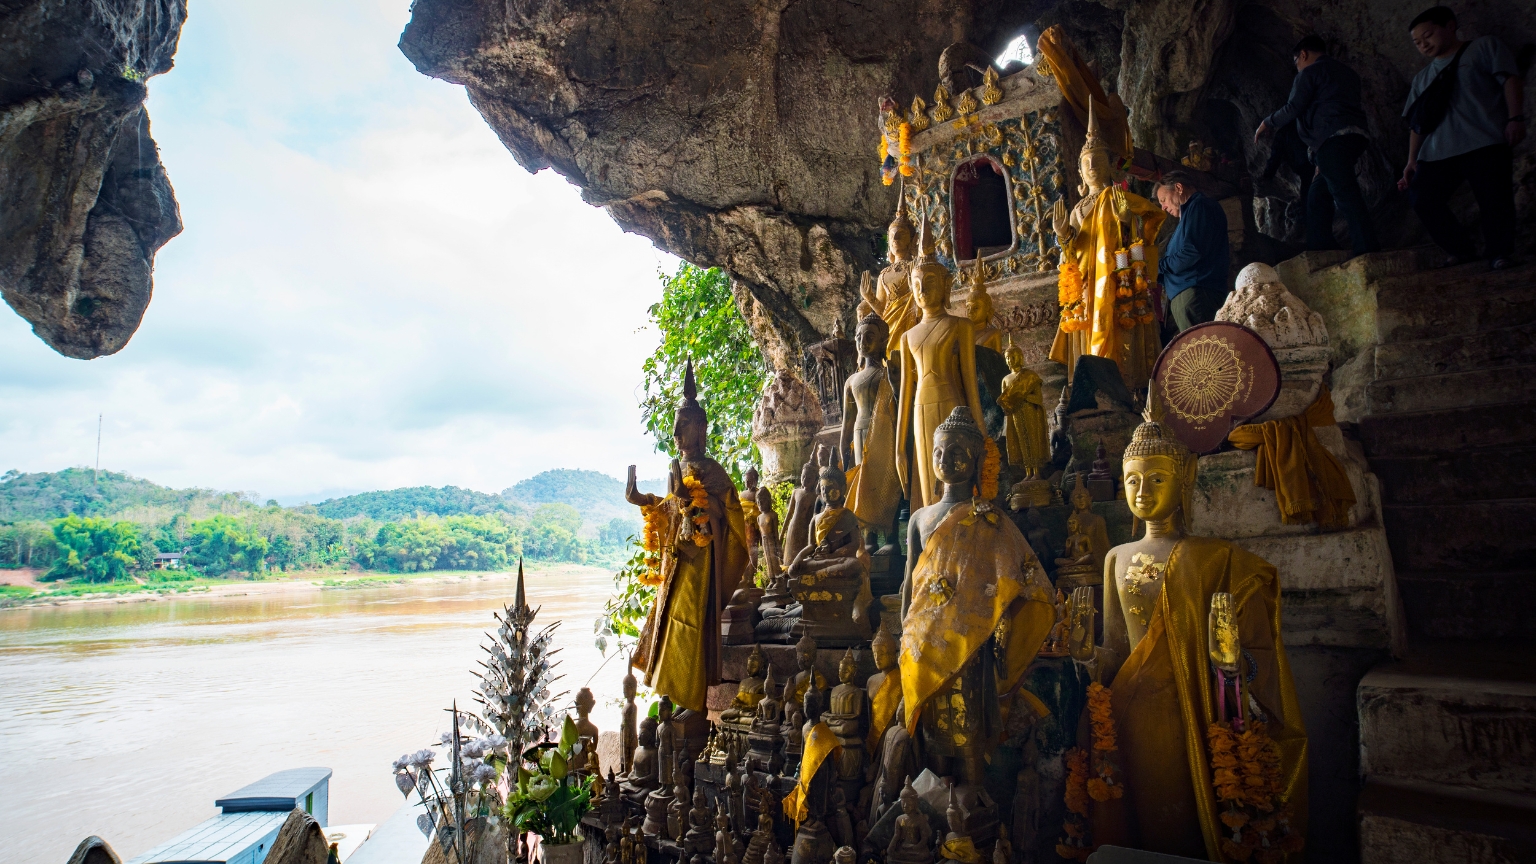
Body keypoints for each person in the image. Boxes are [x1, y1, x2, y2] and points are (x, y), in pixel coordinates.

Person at [1400, 6, 1525, 270]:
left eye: (1428, 35)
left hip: (1485, 141)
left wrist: (1515, 118)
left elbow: (1510, 80)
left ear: (1450, 26)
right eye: (1417, 42)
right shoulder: (1422, 78)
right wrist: (1412, 161)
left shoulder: (1483, 48)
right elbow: (1417, 124)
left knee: (1494, 200)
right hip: (1437, 152)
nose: (1423, 45)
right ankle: (1461, 249)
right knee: (1422, 197)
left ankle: (1499, 253)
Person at [1256, 35, 1381, 257]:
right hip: (1353, 137)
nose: (1297, 67)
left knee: (1345, 194)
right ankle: (1322, 248)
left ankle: (1367, 249)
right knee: (1317, 195)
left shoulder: (1310, 72)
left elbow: (1294, 107)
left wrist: (1267, 122)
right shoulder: (1347, 73)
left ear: (1302, 55)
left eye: (1296, 62)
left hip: (1333, 140)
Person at [1155, 170, 1230, 332]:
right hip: (1189, 295)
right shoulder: (1188, 215)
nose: (1163, 207)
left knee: (1203, 353)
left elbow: (1191, 253)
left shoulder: (1200, 206)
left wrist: (1157, 267)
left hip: (1196, 293)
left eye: (1164, 200)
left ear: (1179, 188)